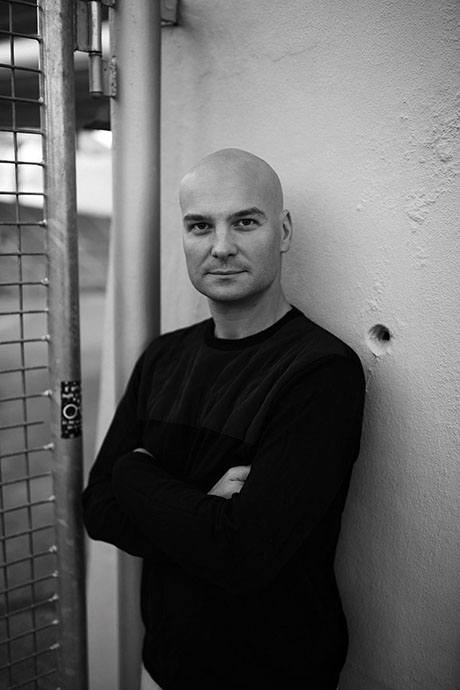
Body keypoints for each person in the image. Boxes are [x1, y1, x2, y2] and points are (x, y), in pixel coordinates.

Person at [82, 148, 365, 690]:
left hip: (276, 674)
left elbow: (242, 556)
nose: (220, 246)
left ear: (282, 231)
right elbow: (98, 508)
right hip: (166, 665)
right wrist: (202, 510)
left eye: (245, 222)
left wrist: (134, 473)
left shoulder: (320, 371)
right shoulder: (163, 357)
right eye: (199, 226)